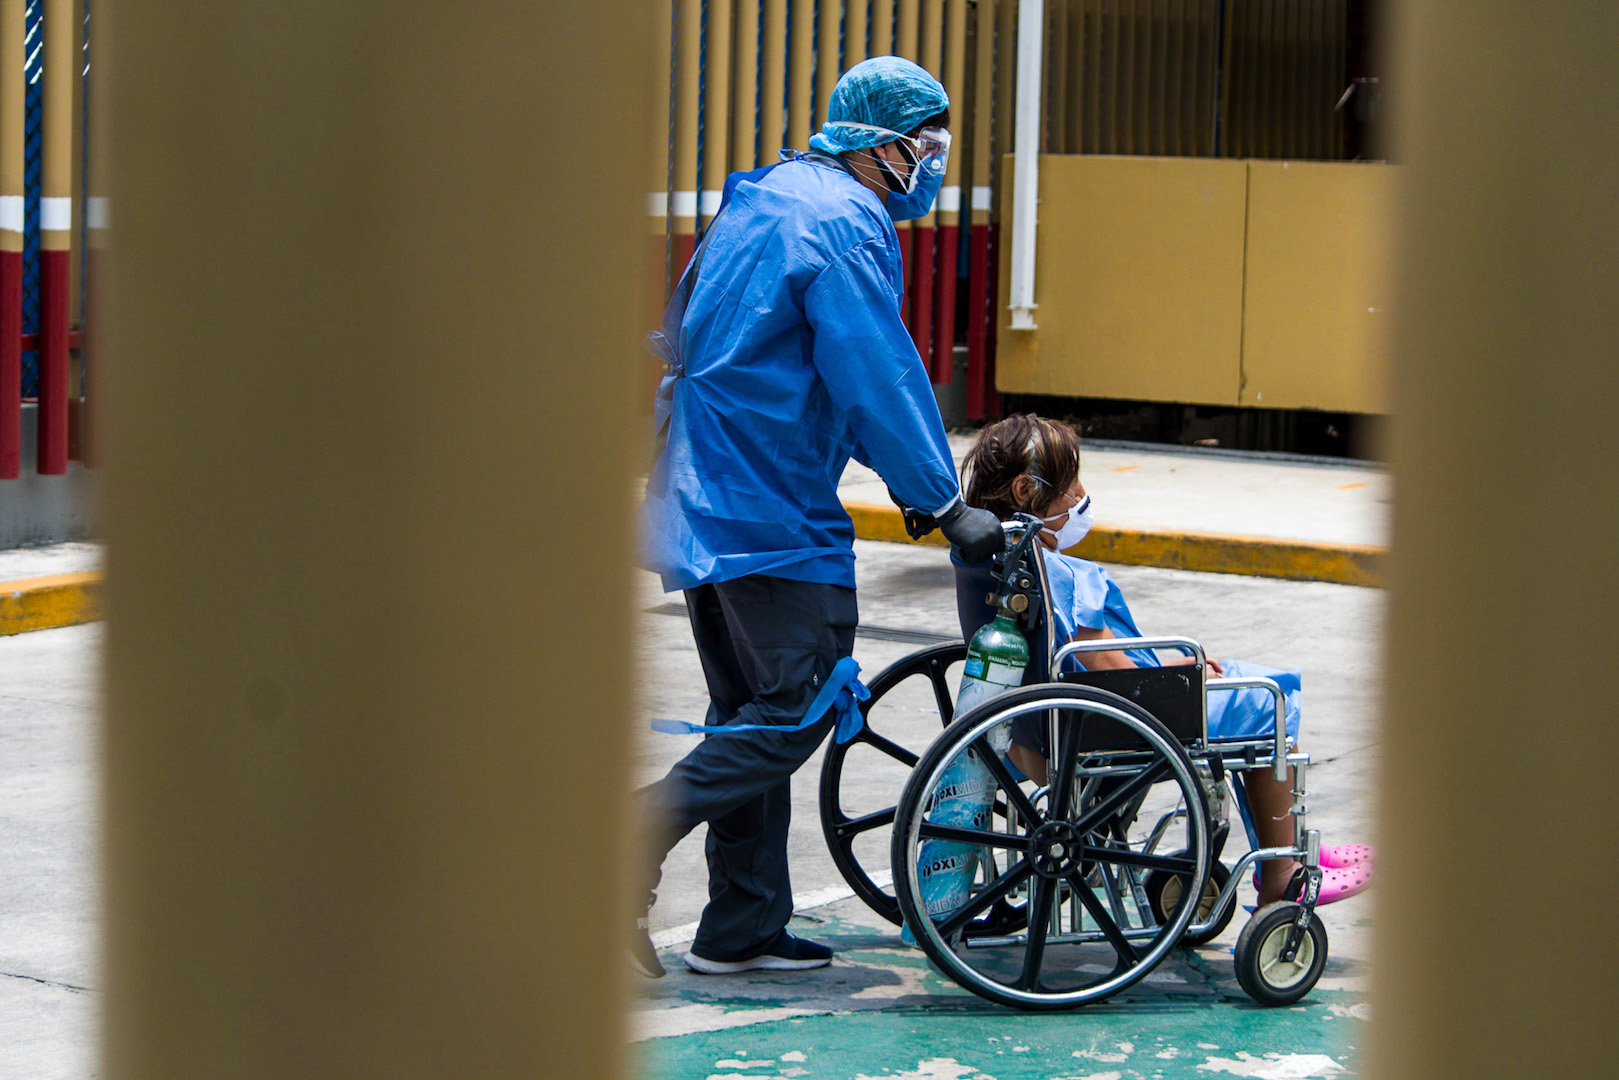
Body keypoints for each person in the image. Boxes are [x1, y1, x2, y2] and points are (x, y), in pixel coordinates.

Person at [633, 56, 1003, 978]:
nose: (931, 164)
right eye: (925, 146)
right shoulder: (843, 224)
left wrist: (908, 482)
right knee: (798, 707)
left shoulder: (767, 197)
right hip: (768, 507)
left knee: (744, 716)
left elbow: (774, 364)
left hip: (707, 493)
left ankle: (741, 927)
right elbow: (873, 372)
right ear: (880, 145)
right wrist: (943, 502)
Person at [959, 415, 1375, 907]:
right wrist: (1182, 674)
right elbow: (1110, 667)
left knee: (1236, 680)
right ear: (1026, 490)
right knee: (1271, 700)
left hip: (1034, 734)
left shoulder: (995, 560)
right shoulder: (1059, 576)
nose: (1080, 494)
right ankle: (1282, 873)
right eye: (1070, 483)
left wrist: (1172, 661)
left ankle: (1287, 847)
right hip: (1108, 725)